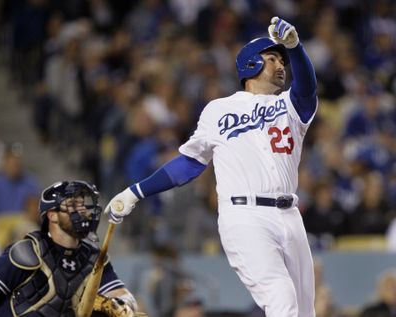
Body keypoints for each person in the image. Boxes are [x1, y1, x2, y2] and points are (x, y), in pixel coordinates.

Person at [106, 16, 318, 317]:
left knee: (304, 311)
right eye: (271, 58)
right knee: (282, 300)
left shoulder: (289, 106)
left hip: (290, 215)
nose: (280, 64)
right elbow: (189, 164)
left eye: (282, 59)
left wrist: (295, 48)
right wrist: (135, 192)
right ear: (250, 65)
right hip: (245, 216)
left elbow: (307, 92)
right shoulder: (219, 110)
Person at [0, 180, 139, 317]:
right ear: (52, 215)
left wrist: (121, 304)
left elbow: (123, 296)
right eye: (73, 204)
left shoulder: (93, 258)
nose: (82, 209)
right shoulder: (28, 251)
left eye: (82, 203)